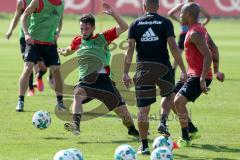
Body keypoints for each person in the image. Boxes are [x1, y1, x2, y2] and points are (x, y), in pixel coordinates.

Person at [58, 3, 139, 137]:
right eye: (81, 29)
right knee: (77, 94)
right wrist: (64, 51)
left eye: (87, 29)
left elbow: (125, 27)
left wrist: (113, 13)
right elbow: (70, 50)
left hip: (104, 81)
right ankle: (75, 125)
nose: (84, 32)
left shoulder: (103, 38)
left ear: (93, 28)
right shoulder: (78, 41)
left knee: (123, 113)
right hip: (86, 80)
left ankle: (133, 130)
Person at [122, 0, 187, 155]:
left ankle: (143, 146)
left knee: (143, 110)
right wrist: (183, 69)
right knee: (169, 95)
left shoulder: (135, 24)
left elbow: (130, 49)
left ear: (144, 7)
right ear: (158, 6)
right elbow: (173, 46)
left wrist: (125, 72)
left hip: (143, 69)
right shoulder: (165, 22)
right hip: (163, 68)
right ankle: (163, 121)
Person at [174, 2, 225, 148]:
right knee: (172, 97)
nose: (180, 15)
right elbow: (214, 48)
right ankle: (192, 129)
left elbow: (208, 55)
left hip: (198, 76)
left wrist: (203, 78)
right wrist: (217, 71)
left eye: (182, 13)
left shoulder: (195, 33)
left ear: (188, 15)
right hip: (192, 74)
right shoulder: (200, 29)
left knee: (178, 102)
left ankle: (185, 138)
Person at [17, 0, 65, 112]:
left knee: (56, 72)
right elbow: (24, 16)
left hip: (49, 44)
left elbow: (60, 20)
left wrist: (58, 31)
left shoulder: (61, 4)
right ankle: (20, 101)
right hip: (34, 42)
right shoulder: (38, 1)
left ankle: (60, 103)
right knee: (28, 68)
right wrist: (26, 34)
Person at [5, 0, 47, 96]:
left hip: (39, 37)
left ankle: (39, 77)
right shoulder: (22, 2)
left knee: (43, 66)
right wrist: (10, 30)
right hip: (25, 38)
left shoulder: (42, 2)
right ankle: (31, 89)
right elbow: (16, 18)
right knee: (28, 65)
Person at [168, 0, 211, 74]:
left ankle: (173, 69)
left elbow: (170, 13)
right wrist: (202, 25)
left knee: (179, 52)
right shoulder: (197, 6)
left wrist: (179, 21)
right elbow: (208, 17)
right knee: (193, 53)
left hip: (185, 32)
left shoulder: (182, 5)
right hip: (195, 32)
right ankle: (190, 71)